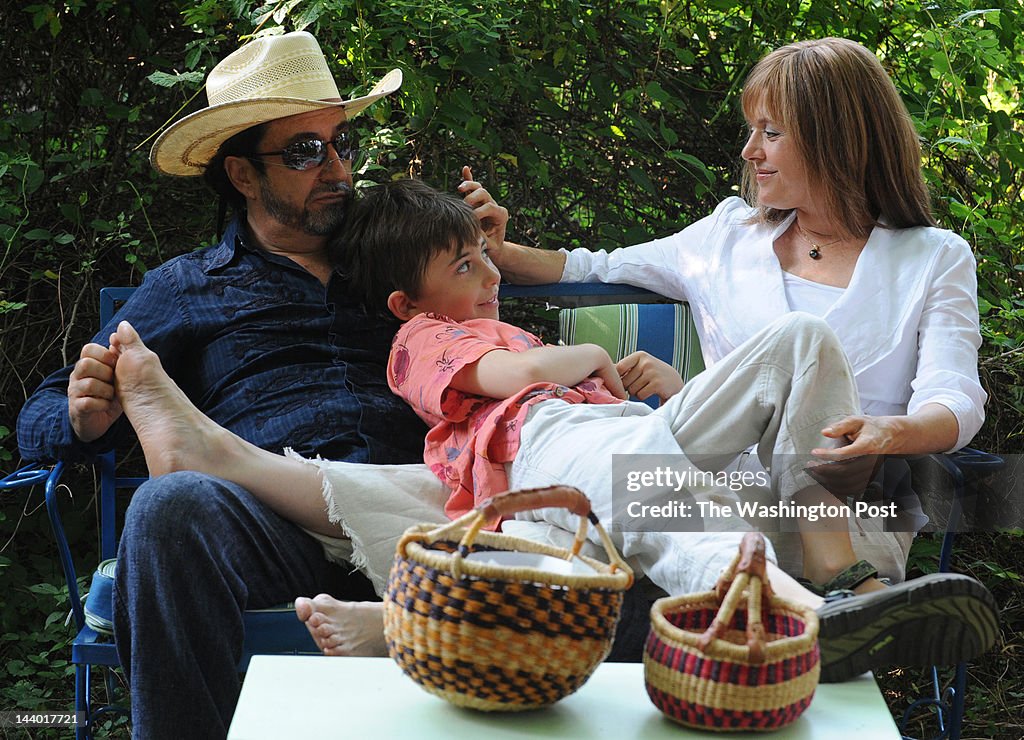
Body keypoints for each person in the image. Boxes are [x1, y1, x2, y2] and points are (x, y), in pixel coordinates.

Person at [103, 178, 997, 686]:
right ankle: (802, 618)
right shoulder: (424, 340)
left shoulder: (926, 254)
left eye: (489, 259)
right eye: (467, 265)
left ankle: (839, 574)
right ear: (407, 305)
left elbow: (566, 366)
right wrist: (575, 362)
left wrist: (657, 391)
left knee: (796, 347)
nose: (491, 275)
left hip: (578, 457)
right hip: (542, 456)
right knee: (656, 504)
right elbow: (514, 380)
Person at [14, 32, 504, 738]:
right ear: (244, 175)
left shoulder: (397, 252)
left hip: (425, 512)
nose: (336, 167)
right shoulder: (188, 288)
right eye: (306, 151)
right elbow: (41, 413)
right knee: (170, 502)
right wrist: (81, 414)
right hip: (280, 532)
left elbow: (488, 339)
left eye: (341, 143)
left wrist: (487, 255)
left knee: (631, 498)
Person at [484, 37, 987, 597]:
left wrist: (890, 435)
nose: (750, 151)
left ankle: (564, 519)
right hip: (712, 495)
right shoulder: (725, 236)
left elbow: (954, 399)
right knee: (626, 476)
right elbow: (592, 267)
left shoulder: (932, 257)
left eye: (771, 133)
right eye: (752, 132)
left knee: (612, 489)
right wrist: (502, 256)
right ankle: (842, 597)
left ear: (838, 140)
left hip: (853, 510)